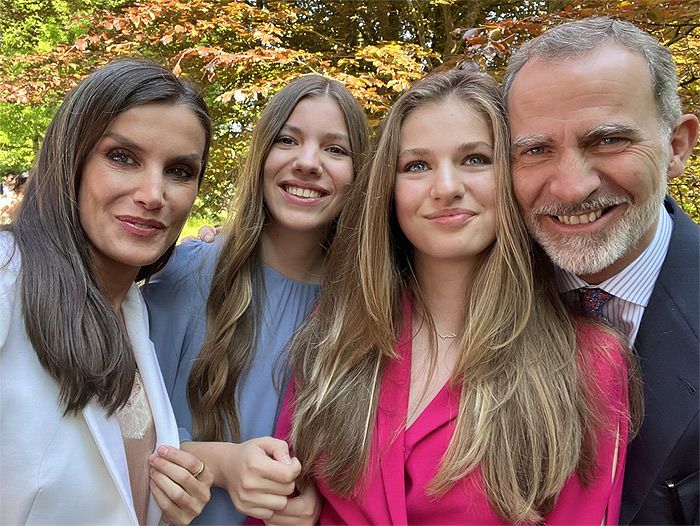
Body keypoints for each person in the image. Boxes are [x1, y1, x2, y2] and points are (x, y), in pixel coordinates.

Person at [275, 69, 638, 523]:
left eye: (474, 159)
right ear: (389, 190)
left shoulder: (590, 362)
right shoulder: (334, 337)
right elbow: (280, 500)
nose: (445, 187)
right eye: (417, 165)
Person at [143, 73, 370, 524]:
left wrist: (314, 508)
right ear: (263, 154)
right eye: (287, 140)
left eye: (335, 148)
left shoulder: (367, 309)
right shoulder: (188, 275)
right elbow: (128, 433)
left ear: (360, 174)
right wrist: (224, 466)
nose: (308, 162)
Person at [0, 58, 214, 526]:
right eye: (123, 157)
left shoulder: (134, 308)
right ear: (71, 158)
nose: (153, 193)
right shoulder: (6, 281)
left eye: (179, 170)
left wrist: (166, 508)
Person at [502, 17, 699, 524]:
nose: (570, 188)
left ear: (676, 146)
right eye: (536, 150)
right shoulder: (471, 297)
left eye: (608, 140)